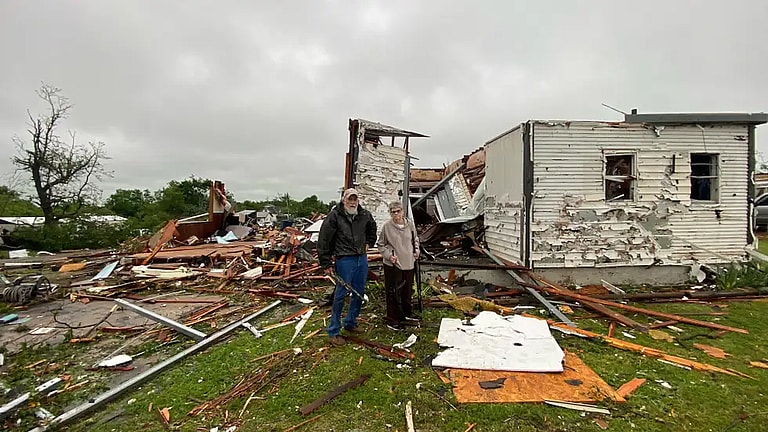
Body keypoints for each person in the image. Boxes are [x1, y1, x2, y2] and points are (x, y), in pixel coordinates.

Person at [317, 188, 377, 347]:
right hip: (344, 260)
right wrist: (325, 263)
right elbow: (324, 239)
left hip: (361, 258)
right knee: (340, 295)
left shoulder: (365, 215)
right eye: (349, 199)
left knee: (359, 291)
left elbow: (372, 229)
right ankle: (333, 331)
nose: (352, 202)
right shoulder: (335, 216)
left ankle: (350, 322)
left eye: (355, 199)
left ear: (358, 201)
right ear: (343, 199)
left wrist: (369, 243)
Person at [377, 200, 420, 331]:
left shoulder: (410, 225)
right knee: (393, 292)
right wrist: (389, 256)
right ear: (390, 213)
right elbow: (381, 244)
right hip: (393, 264)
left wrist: (416, 250)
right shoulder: (387, 227)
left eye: (398, 211)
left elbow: (415, 239)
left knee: (407, 290)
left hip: (409, 262)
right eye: (393, 212)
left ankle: (406, 314)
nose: (396, 214)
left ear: (402, 211)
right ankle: (393, 319)